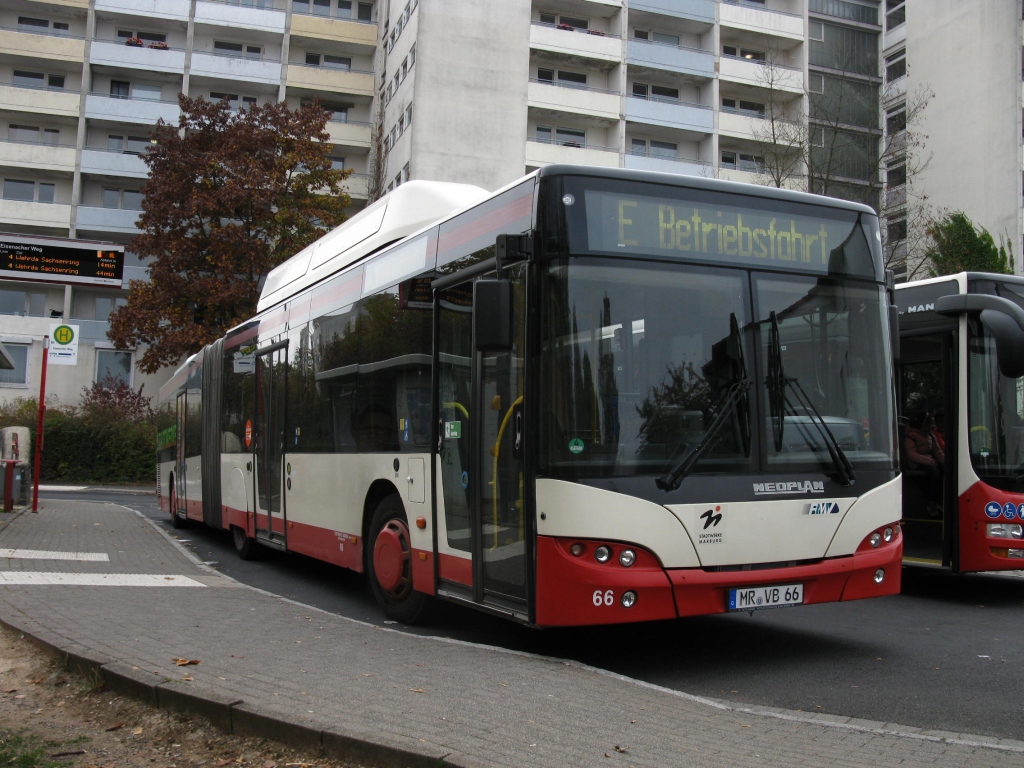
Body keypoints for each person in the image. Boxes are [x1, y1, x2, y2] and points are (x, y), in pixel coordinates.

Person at [904, 410, 944, 516]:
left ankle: (940, 499)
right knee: (934, 473)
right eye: (929, 423)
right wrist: (929, 462)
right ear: (922, 424)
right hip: (917, 463)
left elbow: (937, 451)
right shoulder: (911, 436)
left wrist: (945, 462)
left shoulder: (930, 435)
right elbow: (912, 455)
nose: (931, 425)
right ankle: (931, 501)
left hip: (930, 461)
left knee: (943, 470)